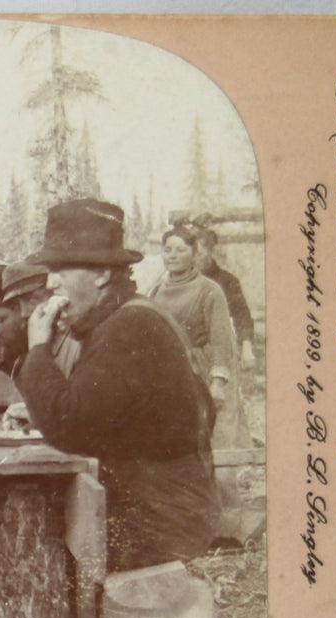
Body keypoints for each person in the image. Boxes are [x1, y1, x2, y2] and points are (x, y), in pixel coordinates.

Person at [17, 199, 218, 572]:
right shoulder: (129, 317)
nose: (51, 283)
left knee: (29, 556)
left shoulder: (126, 329)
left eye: (61, 269)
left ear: (101, 274)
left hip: (162, 521)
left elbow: (68, 424)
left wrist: (38, 350)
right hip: (167, 507)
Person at [151, 225, 240, 414]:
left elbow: (220, 340)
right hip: (161, 371)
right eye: (167, 250)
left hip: (196, 372)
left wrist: (217, 383)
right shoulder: (156, 289)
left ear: (194, 254)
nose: (172, 256)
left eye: (181, 250)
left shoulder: (209, 290)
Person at [192, 221, 257, 370]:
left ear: (210, 252)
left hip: (220, 354)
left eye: (199, 253)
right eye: (191, 253)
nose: (194, 259)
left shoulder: (227, 281)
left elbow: (242, 316)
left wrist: (247, 348)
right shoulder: (180, 281)